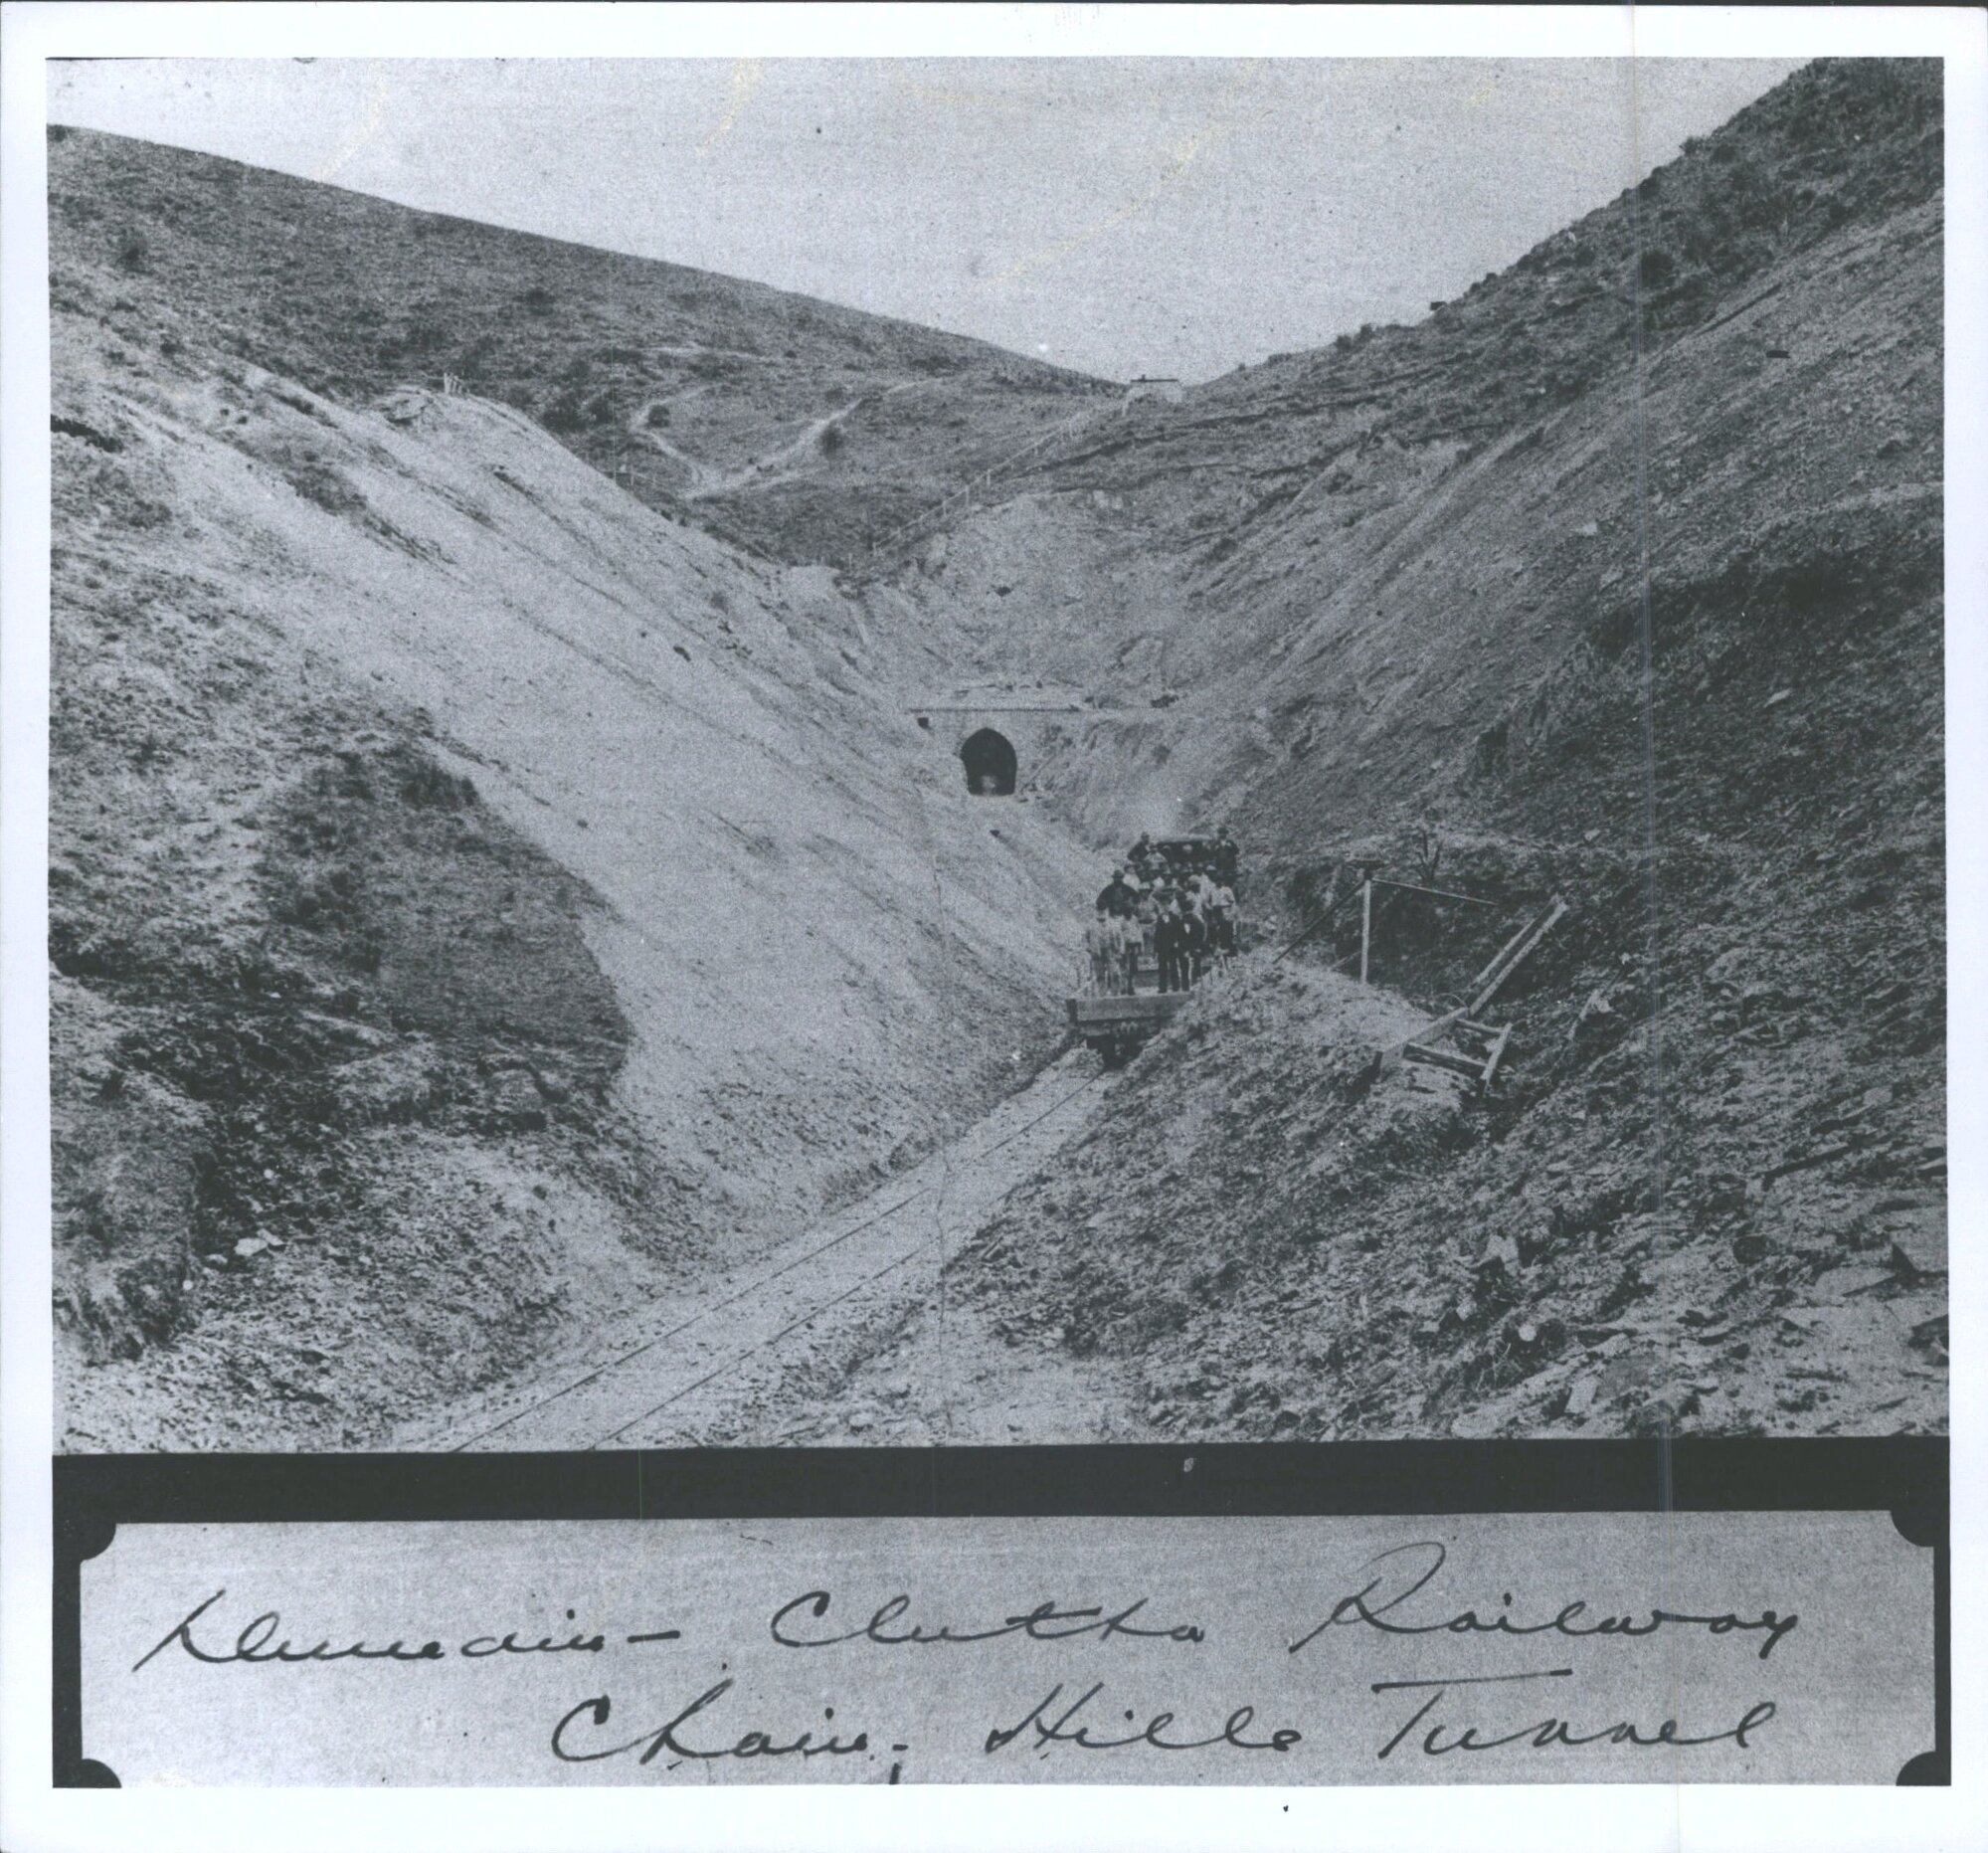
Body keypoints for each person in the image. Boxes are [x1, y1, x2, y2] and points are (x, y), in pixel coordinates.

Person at [1154, 900, 1189, 995]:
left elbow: (1178, 932)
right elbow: (1157, 934)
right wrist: (1156, 948)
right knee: (1162, 968)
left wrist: (1177, 942)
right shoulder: (1159, 919)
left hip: (1172, 946)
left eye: (1167, 905)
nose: (1165, 907)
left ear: (1169, 906)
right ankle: (1162, 987)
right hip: (1162, 947)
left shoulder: (1175, 918)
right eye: (1163, 906)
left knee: (1173, 966)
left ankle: (1175, 986)